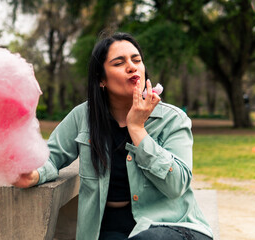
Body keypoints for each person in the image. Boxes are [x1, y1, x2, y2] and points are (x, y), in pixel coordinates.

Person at [13, 32, 213, 240]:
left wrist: (137, 129)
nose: (132, 67)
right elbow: (52, 156)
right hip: (107, 227)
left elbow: (177, 185)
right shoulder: (83, 116)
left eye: (136, 60)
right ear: (101, 80)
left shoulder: (172, 119)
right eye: (119, 63)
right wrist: (34, 175)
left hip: (171, 224)